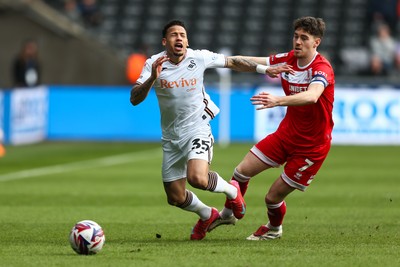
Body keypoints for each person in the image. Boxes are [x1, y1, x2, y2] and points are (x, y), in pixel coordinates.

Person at [130, 20, 292, 240]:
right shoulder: (153, 63)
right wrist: (152, 78)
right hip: (171, 137)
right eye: (174, 35)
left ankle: (232, 191)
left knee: (197, 178)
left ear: (187, 41)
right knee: (175, 197)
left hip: (197, 128)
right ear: (164, 41)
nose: (179, 38)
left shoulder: (198, 57)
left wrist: (265, 69)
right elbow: (134, 99)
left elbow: (234, 62)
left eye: (183, 35)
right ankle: (207, 214)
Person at [209, 16, 335, 240]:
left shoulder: (322, 67)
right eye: (295, 36)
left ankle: (274, 229)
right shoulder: (287, 58)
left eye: (304, 38)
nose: (297, 42)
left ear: (316, 42)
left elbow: (313, 96)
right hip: (286, 135)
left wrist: (278, 100)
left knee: (272, 198)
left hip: (311, 147)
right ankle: (228, 214)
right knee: (240, 172)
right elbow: (252, 61)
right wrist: (219, 60)